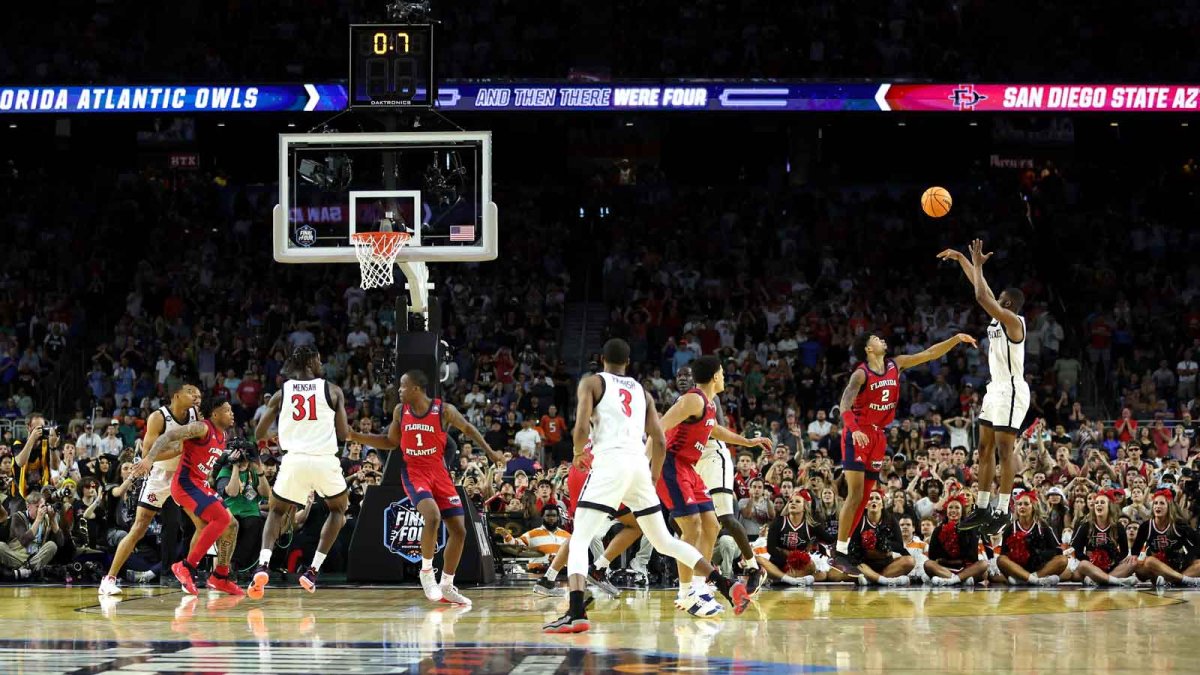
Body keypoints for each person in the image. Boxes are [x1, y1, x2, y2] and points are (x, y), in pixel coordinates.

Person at [544, 339, 749, 634]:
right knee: (665, 540)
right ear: (628, 363)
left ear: (603, 360)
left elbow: (580, 427)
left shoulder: (592, 382)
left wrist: (577, 452)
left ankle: (576, 613)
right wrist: (650, 478)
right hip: (638, 467)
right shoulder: (642, 392)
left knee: (579, 539)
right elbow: (660, 440)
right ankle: (725, 584)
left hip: (610, 463)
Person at [349, 369, 504, 606]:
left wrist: (490, 452)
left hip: (439, 473)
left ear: (416, 389)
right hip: (415, 473)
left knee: (459, 531)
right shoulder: (401, 412)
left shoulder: (444, 410)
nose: (398, 390)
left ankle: (447, 585)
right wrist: (356, 436)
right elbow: (391, 442)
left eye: (402, 386)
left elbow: (469, 430)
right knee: (431, 516)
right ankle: (426, 572)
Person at [829, 330, 977, 575]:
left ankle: (844, 550)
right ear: (868, 348)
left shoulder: (895, 365)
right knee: (855, 494)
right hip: (858, 433)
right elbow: (845, 403)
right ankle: (840, 551)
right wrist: (853, 429)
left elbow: (929, 354)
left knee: (866, 497)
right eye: (876, 338)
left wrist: (954, 340)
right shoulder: (860, 373)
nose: (882, 339)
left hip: (878, 436)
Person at [657, 356, 771, 613]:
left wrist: (747, 442)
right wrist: (644, 464)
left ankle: (699, 586)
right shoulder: (693, 399)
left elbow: (714, 429)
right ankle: (686, 593)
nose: (724, 377)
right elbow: (659, 427)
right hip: (672, 464)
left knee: (711, 523)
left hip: (689, 467)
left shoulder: (706, 404)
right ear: (716, 376)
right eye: (722, 372)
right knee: (692, 527)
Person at [249, 346, 354, 598]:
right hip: (324, 460)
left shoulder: (281, 393)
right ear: (310, 363)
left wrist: (281, 434)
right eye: (319, 360)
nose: (321, 364)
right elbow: (343, 434)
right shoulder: (333, 390)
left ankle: (263, 564)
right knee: (338, 510)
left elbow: (258, 434)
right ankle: (313, 571)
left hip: (293, 460)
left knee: (276, 511)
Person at [940, 241, 1029, 535]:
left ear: (1008, 304)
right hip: (996, 390)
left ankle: (1002, 510)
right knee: (983, 448)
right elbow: (981, 287)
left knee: (1005, 450)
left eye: (999, 298)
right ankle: (981, 506)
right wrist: (962, 259)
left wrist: (978, 265)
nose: (995, 298)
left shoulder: (1015, 322)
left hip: (1013, 390)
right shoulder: (998, 316)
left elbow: (981, 294)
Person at [100, 383, 201, 596]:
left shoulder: (195, 414)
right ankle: (109, 578)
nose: (195, 396)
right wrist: (178, 449)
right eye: (190, 392)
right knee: (139, 528)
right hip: (159, 477)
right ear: (176, 395)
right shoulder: (158, 417)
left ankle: (188, 572)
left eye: (198, 393)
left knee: (202, 523)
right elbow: (147, 455)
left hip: (183, 477)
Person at [135, 397, 241, 595]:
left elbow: (204, 462)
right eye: (227, 410)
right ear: (215, 414)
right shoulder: (202, 428)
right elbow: (167, 437)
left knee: (232, 525)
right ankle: (186, 566)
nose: (232, 413)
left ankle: (220, 576)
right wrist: (149, 457)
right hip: (185, 484)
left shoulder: (223, 435)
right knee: (222, 518)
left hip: (199, 484)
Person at [684, 365, 765, 596]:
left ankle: (753, 567)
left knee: (725, 517)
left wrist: (746, 442)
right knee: (691, 522)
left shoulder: (710, 399)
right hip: (695, 460)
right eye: (679, 376)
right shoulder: (685, 401)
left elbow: (716, 429)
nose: (682, 380)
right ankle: (702, 577)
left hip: (713, 456)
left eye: (686, 376)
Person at [532, 439, 644, 599]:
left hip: (578, 471)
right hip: (596, 474)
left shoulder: (599, 423)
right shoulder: (628, 423)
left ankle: (547, 579)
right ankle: (599, 569)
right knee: (636, 525)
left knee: (581, 535)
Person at [843, 489, 914, 586]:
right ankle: (882, 580)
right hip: (864, 563)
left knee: (910, 561)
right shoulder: (859, 520)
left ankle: (872, 579)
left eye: (877, 498)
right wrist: (867, 547)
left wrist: (881, 543)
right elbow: (853, 550)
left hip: (885, 563)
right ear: (865, 505)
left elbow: (899, 546)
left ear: (882, 505)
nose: (874, 501)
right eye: (870, 498)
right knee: (837, 573)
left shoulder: (891, 520)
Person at [995, 490, 1066, 586]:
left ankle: (1026, 579)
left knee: (1062, 560)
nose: (1022, 507)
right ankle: (1036, 580)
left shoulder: (1043, 527)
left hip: (1039, 567)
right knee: (1001, 559)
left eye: (1026, 504)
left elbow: (1057, 550)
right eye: (1019, 504)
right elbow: (1004, 554)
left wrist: (1039, 554)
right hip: (1017, 567)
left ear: (1033, 507)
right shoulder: (1010, 529)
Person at [1131, 489, 1200, 587]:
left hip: (1177, 566)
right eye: (1155, 503)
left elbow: (1196, 546)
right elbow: (1135, 551)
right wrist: (1135, 558)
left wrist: (1185, 561)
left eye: (1162, 503)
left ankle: (1171, 581)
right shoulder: (1146, 526)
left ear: (1169, 507)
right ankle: (1184, 580)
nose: (1158, 506)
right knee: (1147, 561)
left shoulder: (1179, 525)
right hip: (1156, 568)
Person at [761, 489, 830, 586]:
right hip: (779, 560)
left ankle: (796, 579)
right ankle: (787, 578)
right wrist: (789, 558)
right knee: (759, 559)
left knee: (822, 574)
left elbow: (830, 540)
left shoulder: (811, 525)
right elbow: (771, 548)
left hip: (800, 564)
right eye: (790, 502)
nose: (793, 503)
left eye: (797, 501)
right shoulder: (779, 522)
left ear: (804, 507)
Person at [1070, 489, 1137, 587]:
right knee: (1083, 565)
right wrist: (1090, 560)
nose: (1098, 505)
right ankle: (1116, 581)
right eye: (1096, 503)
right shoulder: (1085, 526)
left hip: (1111, 566)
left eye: (1102, 502)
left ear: (1109, 507)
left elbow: (1124, 551)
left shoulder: (1118, 527)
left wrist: (1113, 561)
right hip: (1090, 566)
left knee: (1133, 563)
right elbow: (1077, 550)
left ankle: (1099, 579)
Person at [923, 494, 990, 586]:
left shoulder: (970, 528)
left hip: (966, 568)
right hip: (944, 569)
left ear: (962, 511)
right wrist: (952, 561)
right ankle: (960, 580)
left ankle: (952, 580)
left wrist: (950, 560)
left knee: (984, 565)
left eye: (957, 508)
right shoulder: (938, 529)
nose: (953, 511)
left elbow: (973, 557)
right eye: (950, 508)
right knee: (928, 564)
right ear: (946, 511)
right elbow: (932, 556)